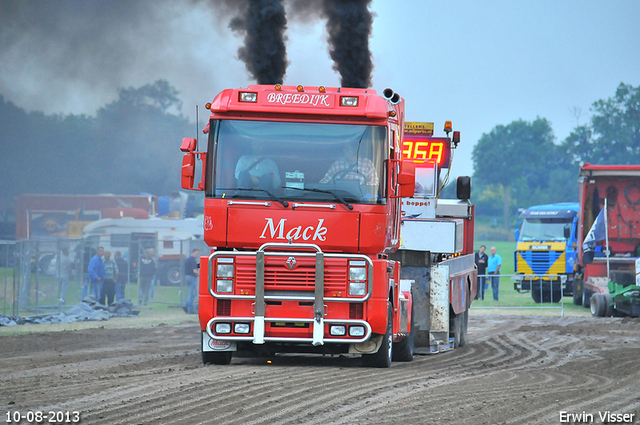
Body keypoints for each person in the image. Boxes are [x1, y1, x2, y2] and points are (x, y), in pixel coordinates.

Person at [182, 248, 200, 314]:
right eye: (196, 253)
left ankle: (185, 304)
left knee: (192, 293)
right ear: (193, 253)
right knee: (192, 293)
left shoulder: (188, 259)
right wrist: (199, 275)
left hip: (187, 276)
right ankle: (190, 309)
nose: (197, 255)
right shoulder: (192, 260)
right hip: (192, 277)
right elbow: (194, 270)